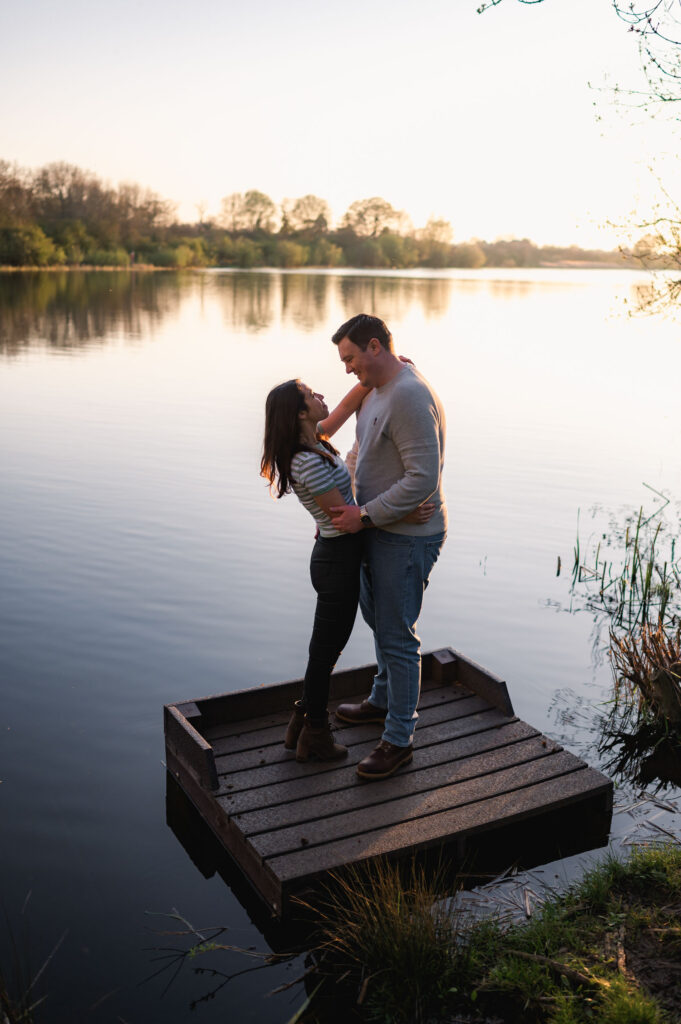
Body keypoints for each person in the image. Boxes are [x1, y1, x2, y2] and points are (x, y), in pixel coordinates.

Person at [260, 376, 433, 764]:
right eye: (311, 395)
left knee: (324, 650)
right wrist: (404, 510)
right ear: (300, 412)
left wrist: (378, 375)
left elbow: (340, 409)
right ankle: (315, 734)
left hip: (336, 556)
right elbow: (346, 519)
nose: (321, 395)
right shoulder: (306, 460)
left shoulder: (311, 438)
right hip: (336, 562)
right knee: (325, 653)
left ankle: (302, 723)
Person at [329, 313, 447, 781]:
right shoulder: (377, 391)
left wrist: (368, 513)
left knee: (398, 637)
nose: (347, 368)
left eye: (351, 357)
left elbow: (423, 477)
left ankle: (399, 739)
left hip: (406, 537)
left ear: (375, 346)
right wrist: (354, 507)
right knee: (379, 622)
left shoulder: (410, 396)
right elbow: (364, 453)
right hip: (379, 529)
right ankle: (382, 699)